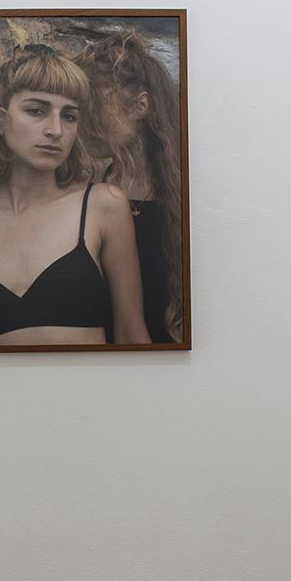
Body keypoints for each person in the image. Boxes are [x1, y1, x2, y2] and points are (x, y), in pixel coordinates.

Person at [0, 42, 149, 347]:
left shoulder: (103, 205)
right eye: (36, 111)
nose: (55, 130)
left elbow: (132, 335)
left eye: (69, 116)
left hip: (91, 379)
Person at [76, 28, 185, 345]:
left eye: (93, 104)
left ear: (140, 106)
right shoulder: (85, 197)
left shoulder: (186, 198)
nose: (80, 120)